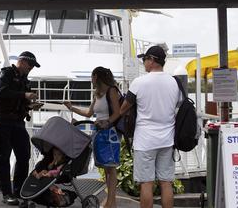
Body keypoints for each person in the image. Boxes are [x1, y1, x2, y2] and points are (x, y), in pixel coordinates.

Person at [119, 45, 181, 208]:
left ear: (152, 60)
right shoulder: (174, 82)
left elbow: (123, 108)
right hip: (167, 141)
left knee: (146, 183)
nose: (144, 63)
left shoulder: (139, 82)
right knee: (166, 183)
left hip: (145, 141)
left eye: (145, 59)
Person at [64, 66, 122, 208]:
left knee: (111, 168)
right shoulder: (97, 94)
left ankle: (111, 202)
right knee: (106, 168)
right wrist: (72, 108)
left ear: (96, 77)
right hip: (99, 133)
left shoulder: (112, 90)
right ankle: (109, 200)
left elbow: (118, 112)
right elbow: (89, 113)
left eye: (92, 77)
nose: (91, 80)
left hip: (110, 133)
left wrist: (107, 122)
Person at [0, 51, 41, 206]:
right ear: (23, 62)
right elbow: (3, 93)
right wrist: (24, 95)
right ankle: (7, 193)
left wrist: (31, 105)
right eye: (30, 65)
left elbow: (21, 100)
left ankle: (19, 190)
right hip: (2, 120)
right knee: (3, 157)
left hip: (18, 122)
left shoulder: (25, 80)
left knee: (24, 156)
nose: (31, 68)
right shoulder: (6, 74)